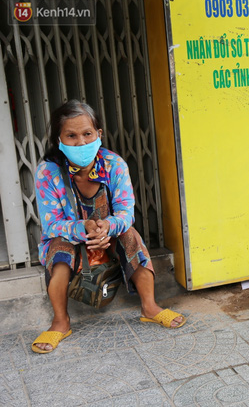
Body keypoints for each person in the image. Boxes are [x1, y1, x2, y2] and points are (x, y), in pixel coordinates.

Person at [32, 100, 186, 353]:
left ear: (98, 134)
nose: (81, 142)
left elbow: (126, 212)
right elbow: (51, 224)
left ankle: (150, 307)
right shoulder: (48, 172)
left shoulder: (114, 164)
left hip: (109, 235)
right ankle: (60, 321)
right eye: (71, 135)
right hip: (70, 237)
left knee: (131, 237)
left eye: (87, 134)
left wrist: (107, 227)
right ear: (58, 139)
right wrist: (84, 230)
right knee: (59, 254)